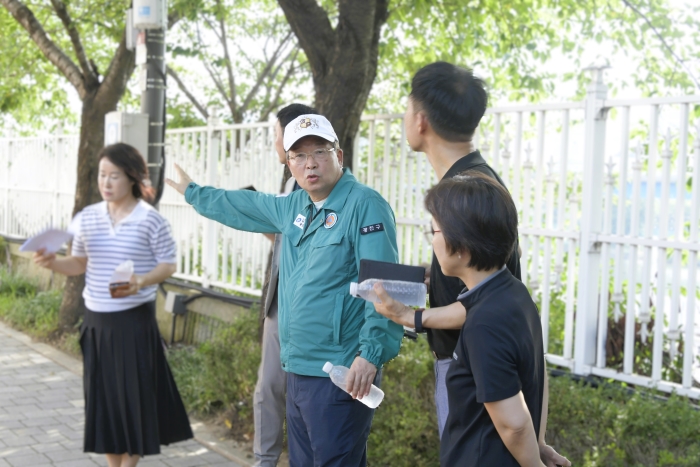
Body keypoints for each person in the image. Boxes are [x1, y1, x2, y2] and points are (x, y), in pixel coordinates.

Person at [166, 114, 404, 467]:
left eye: (319, 152)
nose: (310, 164)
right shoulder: (295, 205)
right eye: (298, 155)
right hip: (298, 367)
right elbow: (242, 205)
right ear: (289, 161)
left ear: (339, 154)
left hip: (341, 372)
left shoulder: (365, 204)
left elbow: (383, 287)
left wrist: (369, 355)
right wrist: (192, 192)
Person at [376, 171, 570, 467]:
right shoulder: (510, 293)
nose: (432, 243)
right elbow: (536, 373)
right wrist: (407, 316)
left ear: (462, 247)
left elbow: (513, 423)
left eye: (435, 232)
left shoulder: (484, 324)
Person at [33, 143, 193, 467]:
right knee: (103, 403)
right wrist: (52, 264)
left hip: (134, 323)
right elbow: (78, 263)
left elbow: (168, 264)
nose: (106, 183)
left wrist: (141, 281)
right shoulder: (86, 217)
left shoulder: (151, 220)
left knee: (132, 402)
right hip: (96, 323)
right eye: (102, 176)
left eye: (114, 176)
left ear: (132, 177)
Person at [403, 61, 521, 439]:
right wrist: (433, 276)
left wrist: (410, 316)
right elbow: (486, 280)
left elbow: (484, 304)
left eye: (406, 109)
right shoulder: (478, 184)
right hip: (478, 369)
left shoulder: (462, 194)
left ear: (420, 121)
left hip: (473, 373)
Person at [254, 103, 316, 467]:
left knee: (300, 395)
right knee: (269, 389)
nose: (274, 142)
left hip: (307, 311)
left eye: (275, 135)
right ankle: (264, 461)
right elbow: (288, 241)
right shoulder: (291, 181)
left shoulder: (319, 183)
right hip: (279, 303)